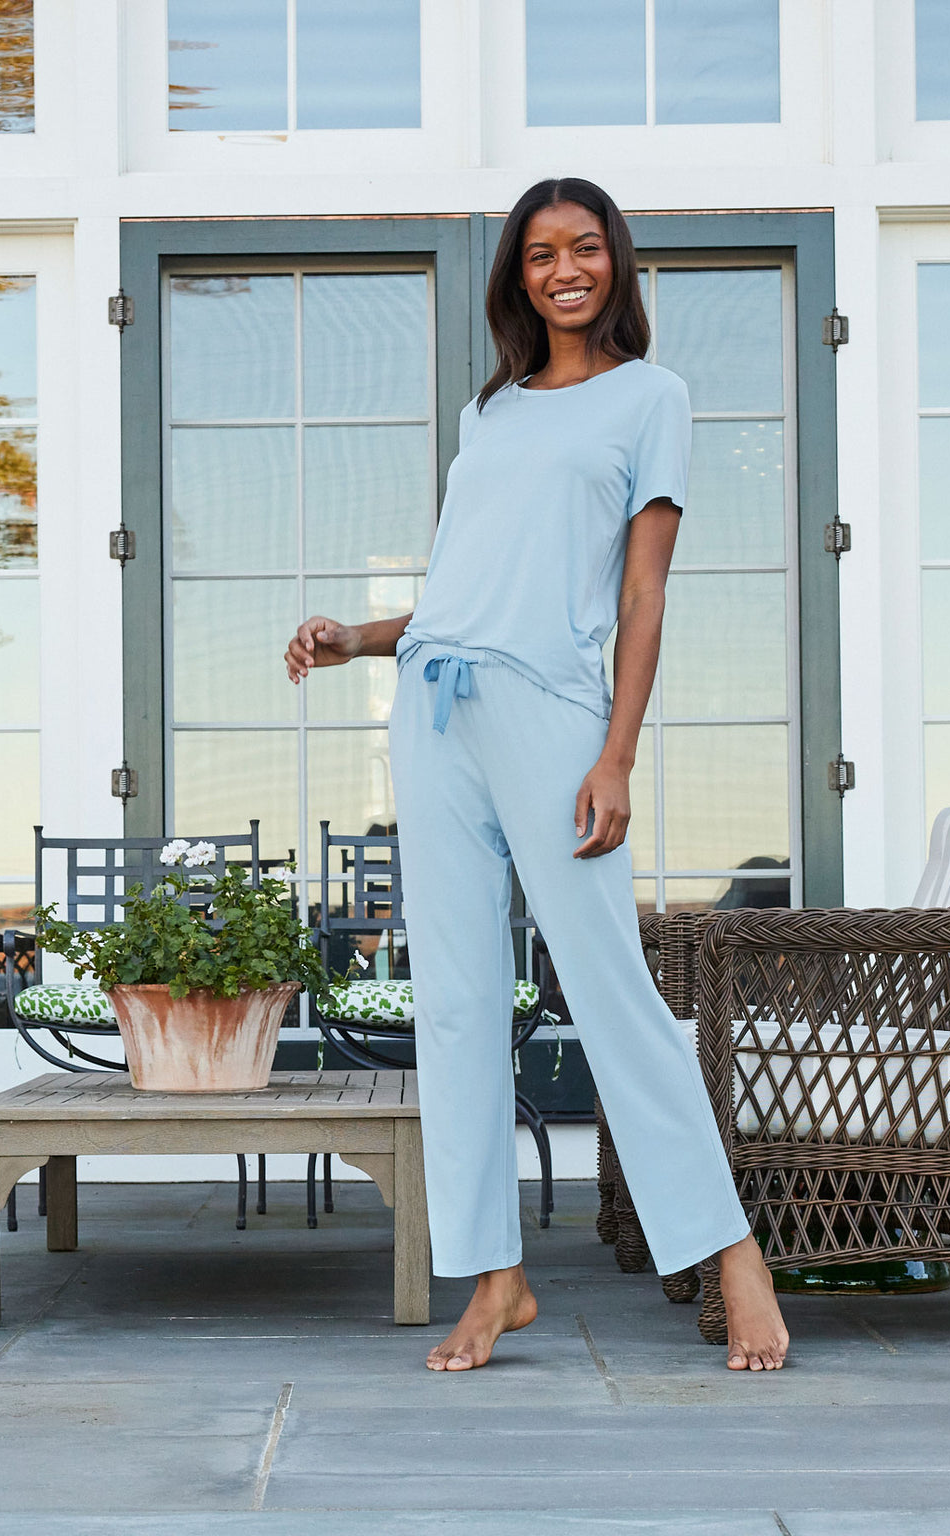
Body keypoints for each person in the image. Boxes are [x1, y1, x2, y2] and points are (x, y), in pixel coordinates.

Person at [285, 177, 789, 1373]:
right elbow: (467, 586)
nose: (564, 269)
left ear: (615, 259)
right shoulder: (493, 413)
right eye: (540, 254)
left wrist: (617, 753)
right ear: (519, 276)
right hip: (436, 711)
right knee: (454, 1004)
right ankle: (495, 1277)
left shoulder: (650, 400)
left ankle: (730, 1252)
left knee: (609, 989)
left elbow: (640, 593)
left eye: (585, 247)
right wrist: (359, 639)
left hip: (554, 721)